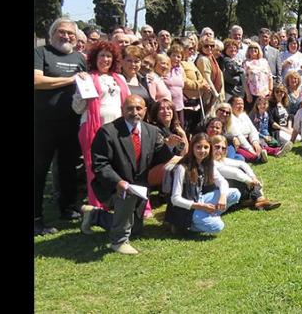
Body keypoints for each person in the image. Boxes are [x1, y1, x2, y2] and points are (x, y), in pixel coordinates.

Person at [81, 95, 178, 255]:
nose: (135, 112)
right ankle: (119, 241)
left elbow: (162, 157)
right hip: (112, 187)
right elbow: (100, 165)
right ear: (122, 110)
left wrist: (173, 148)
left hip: (138, 190)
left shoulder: (151, 131)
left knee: (136, 229)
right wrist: (118, 182)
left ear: (145, 110)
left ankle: (94, 216)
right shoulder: (107, 132)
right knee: (127, 192)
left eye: (139, 108)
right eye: (130, 108)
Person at [34, 18, 88, 235]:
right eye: (61, 32)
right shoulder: (41, 53)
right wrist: (70, 80)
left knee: (68, 169)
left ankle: (67, 208)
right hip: (43, 124)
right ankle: (36, 218)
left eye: (71, 34)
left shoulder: (79, 58)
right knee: (39, 171)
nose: (66, 37)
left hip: (71, 123)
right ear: (52, 34)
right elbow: (37, 81)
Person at [72, 41, 130, 210]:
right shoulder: (87, 78)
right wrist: (81, 91)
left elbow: (127, 104)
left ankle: (118, 201)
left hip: (117, 130)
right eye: (102, 55)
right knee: (95, 167)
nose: (105, 59)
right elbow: (77, 109)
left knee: (118, 166)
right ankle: (98, 203)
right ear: (94, 58)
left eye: (109, 56)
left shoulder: (120, 79)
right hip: (93, 128)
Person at [166, 133, 241, 235]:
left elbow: (222, 181)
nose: (202, 151)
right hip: (186, 208)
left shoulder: (207, 164)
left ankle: (207, 216)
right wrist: (201, 207)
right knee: (218, 226)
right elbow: (175, 199)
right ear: (192, 148)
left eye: (206, 147)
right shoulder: (182, 168)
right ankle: (184, 226)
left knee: (234, 193)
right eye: (198, 147)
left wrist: (222, 197)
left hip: (200, 199)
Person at [210, 134, 281, 211]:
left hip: (225, 188)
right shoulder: (210, 162)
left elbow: (242, 164)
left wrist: (253, 177)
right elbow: (233, 173)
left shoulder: (221, 160)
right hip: (215, 191)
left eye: (223, 148)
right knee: (237, 177)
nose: (220, 150)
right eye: (217, 147)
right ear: (210, 147)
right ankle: (258, 200)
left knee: (242, 171)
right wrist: (250, 181)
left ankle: (253, 200)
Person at [218, 38, 245, 102]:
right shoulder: (226, 59)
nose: (233, 49)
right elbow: (234, 70)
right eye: (230, 47)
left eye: (235, 47)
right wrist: (242, 70)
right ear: (225, 49)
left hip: (233, 91)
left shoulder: (232, 60)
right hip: (229, 91)